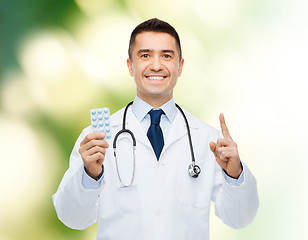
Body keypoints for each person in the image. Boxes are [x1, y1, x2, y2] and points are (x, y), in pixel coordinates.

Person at [52, 18, 259, 240]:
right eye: (145, 55)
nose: (156, 65)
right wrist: (89, 175)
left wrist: (235, 174)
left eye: (167, 56)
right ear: (130, 66)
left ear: (180, 67)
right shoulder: (96, 138)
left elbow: (240, 219)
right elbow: (72, 218)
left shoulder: (209, 141)